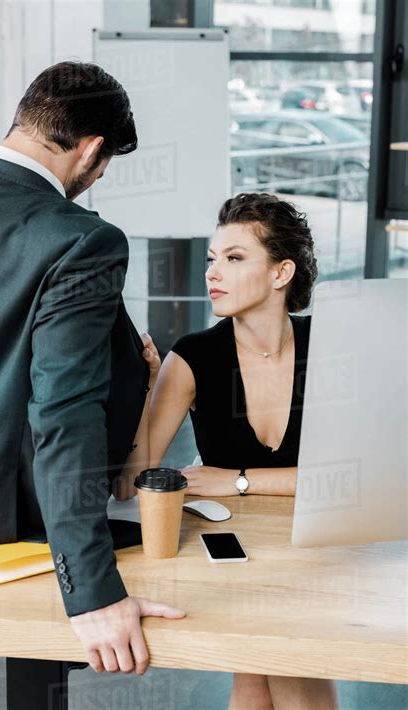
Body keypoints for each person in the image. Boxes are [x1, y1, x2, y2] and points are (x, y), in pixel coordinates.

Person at [0, 60, 184, 677]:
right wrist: (93, 591)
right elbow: (63, 415)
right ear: (93, 150)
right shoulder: (78, 240)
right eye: (104, 167)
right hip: (2, 541)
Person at [119, 192, 339, 707]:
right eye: (212, 259)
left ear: (281, 273)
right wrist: (146, 386)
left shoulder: (331, 346)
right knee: (267, 669)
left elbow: (355, 478)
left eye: (235, 259)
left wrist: (237, 479)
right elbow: (135, 478)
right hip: (236, 551)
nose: (212, 272)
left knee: (266, 672)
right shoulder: (193, 356)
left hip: (317, 547)